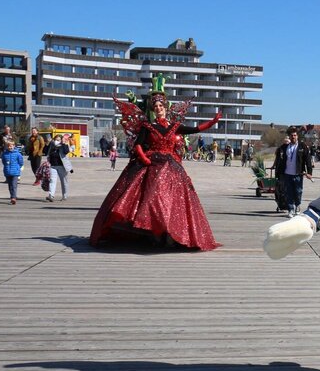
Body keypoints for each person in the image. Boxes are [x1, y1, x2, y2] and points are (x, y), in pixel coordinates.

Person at [89, 81, 222, 250]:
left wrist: (212, 122)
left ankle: (171, 233)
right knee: (152, 195)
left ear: (165, 107)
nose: (158, 108)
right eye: (156, 106)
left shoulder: (175, 127)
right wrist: (144, 158)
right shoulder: (148, 126)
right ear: (153, 109)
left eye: (161, 105)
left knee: (175, 198)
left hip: (171, 164)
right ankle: (155, 232)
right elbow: (138, 144)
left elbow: (195, 129)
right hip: (150, 163)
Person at [272, 126, 313, 216]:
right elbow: (279, 159)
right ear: (289, 137)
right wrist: (277, 173)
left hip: (298, 173)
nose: (293, 137)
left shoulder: (303, 146)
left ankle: (297, 206)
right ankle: (290, 209)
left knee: (298, 191)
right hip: (287, 173)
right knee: (288, 192)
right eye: (291, 135)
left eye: (295, 135)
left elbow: (308, 160)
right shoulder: (284, 147)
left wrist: (309, 172)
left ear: (297, 136)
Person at [46, 134, 73, 201]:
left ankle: (64, 195)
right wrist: (47, 143)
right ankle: (51, 195)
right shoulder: (52, 145)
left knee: (64, 181)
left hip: (62, 166)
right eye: (56, 140)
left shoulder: (64, 145)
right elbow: (46, 151)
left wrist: (63, 143)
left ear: (61, 140)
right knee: (52, 180)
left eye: (58, 140)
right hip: (53, 166)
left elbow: (66, 151)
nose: (57, 141)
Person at [1, 140, 24, 204]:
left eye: (11, 146)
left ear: (14, 146)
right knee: (10, 186)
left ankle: (13, 198)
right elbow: (3, 162)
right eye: (8, 146)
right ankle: (12, 196)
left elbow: (21, 162)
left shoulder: (18, 154)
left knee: (14, 185)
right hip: (7, 172)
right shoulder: (4, 154)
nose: (10, 147)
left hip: (15, 172)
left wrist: (18, 168)